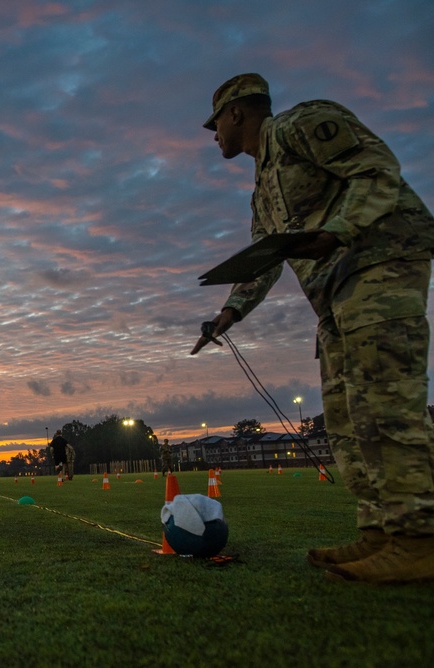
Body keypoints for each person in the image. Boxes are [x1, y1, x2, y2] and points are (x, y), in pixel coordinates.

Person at [192, 73, 434, 583]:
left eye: (217, 124)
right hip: (334, 296)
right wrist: (228, 315)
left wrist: (338, 230)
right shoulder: (262, 191)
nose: (215, 135)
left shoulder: (303, 124)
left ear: (237, 112)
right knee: (345, 419)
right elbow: (266, 259)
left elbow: (377, 170)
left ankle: (419, 538)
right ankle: (380, 533)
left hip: (379, 266)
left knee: (384, 405)